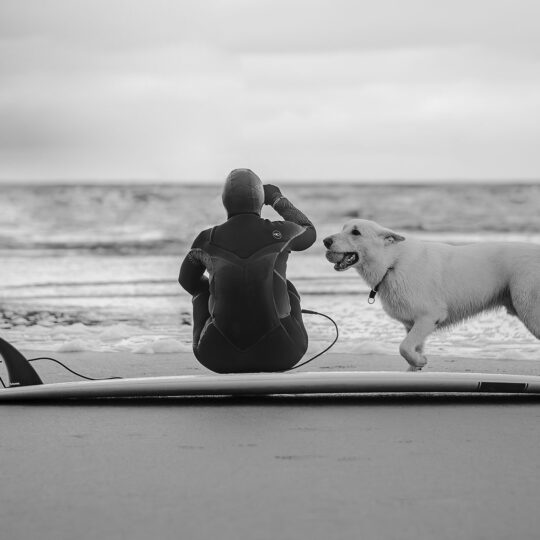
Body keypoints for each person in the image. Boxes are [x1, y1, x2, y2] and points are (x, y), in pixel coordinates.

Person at [179, 168, 316, 373]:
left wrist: (219, 291)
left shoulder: (206, 239)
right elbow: (308, 230)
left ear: (225, 201)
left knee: (202, 288)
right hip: (283, 352)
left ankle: (218, 328)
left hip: (215, 355)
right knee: (285, 286)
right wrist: (277, 198)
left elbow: (187, 281)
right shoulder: (284, 232)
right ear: (260, 201)